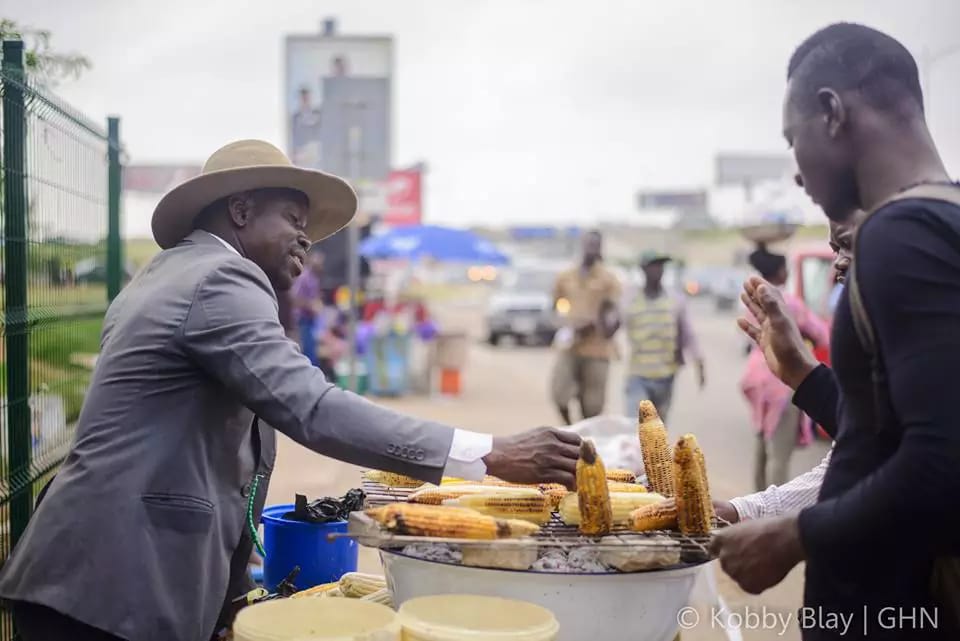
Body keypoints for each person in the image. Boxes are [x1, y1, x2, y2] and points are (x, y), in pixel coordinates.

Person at [0, 140, 583, 641]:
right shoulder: (219, 277)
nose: (307, 242)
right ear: (242, 210)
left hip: (96, 582)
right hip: (110, 587)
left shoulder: (174, 274)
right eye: (295, 222)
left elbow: (210, 455)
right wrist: (489, 454)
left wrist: (234, 595)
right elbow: (313, 407)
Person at [711, 24, 960, 640]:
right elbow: (892, 433)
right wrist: (806, 375)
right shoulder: (943, 221)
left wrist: (795, 535)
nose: (797, 173)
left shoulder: (899, 235)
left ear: (832, 113)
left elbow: (943, 460)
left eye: (793, 140)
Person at [715, 210, 862, 524]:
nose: (838, 262)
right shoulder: (792, 304)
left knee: (767, 447)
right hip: (778, 381)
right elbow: (860, 445)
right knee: (777, 451)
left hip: (759, 380)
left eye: (848, 245)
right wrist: (746, 511)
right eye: (836, 250)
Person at [740, 248, 829, 491]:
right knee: (779, 452)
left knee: (762, 445)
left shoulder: (751, 299)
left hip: (756, 376)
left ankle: (753, 506)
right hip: (781, 380)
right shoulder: (787, 302)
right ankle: (771, 513)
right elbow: (822, 335)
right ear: (780, 272)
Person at [621, 250, 704, 422]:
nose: (658, 271)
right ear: (643, 269)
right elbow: (614, 325)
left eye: (661, 267)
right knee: (636, 425)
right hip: (638, 375)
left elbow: (687, 333)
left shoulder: (674, 300)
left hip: (665, 375)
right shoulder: (630, 300)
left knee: (657, 429)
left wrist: (698, 362)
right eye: (653, 267)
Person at [550, 230, 622, 424]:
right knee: (559, 393)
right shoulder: (566, 277)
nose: (591, 248)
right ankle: (571, 429)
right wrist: (564, 325)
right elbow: (555, 306)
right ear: (582, 245)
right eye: (588, 243)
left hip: (597, 349)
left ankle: (586, 441)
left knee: (592, 405)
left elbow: (614, 313)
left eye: (595, 244)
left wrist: (599, 324)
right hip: (570, 345)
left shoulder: (608, 279)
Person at [292, 245, 329, 372]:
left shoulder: (314, 278)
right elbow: (295, 299)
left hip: (312, 321)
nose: (320, 264)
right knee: (308, 352)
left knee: (313, 351)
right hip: (303, 320)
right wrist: (310, 305)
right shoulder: (304, 277)